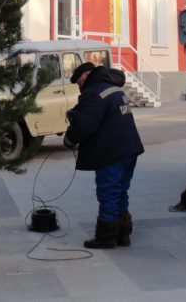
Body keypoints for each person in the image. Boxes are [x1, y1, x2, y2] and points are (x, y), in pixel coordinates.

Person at [64, 61, 144, 249]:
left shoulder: (94, 92)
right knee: (120, 191)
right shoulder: (113, 88)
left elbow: (85, 124)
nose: (79, 86)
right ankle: (123, 235)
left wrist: (70, 138)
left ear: (85, 76)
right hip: (130, 149)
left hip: (112, 152)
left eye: (79, 82)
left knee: (108, 192)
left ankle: (106, 237)